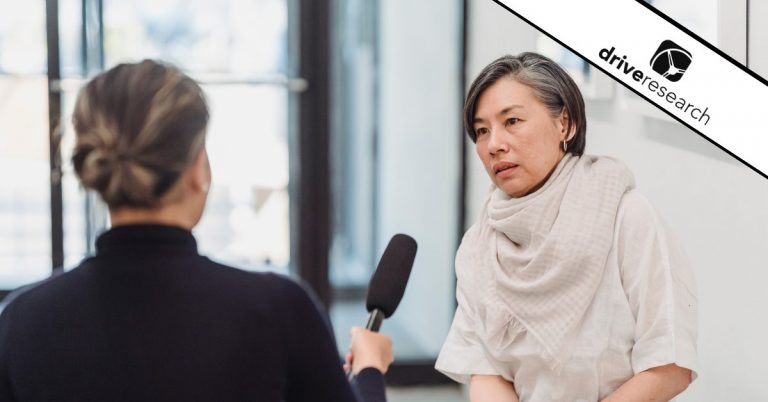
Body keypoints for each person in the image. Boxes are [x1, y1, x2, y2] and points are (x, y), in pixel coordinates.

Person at [0, 60, 392, 402]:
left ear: (93, 174)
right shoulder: (279, 310)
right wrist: (369, 372)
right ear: (196, 170)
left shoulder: (20, 322)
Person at [435, 53, 698, 402]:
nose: (494, 144)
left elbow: (670, 364)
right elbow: (485, 369)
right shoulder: (480, 244)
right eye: (482, 130)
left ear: (566, 125)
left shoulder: (627, 216)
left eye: (512, 121)